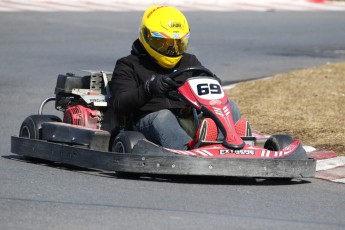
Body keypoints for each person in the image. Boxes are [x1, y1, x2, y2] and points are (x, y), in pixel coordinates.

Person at [111, 5, 242, 150]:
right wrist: (149, 89)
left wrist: (213, 82)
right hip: (148, 123)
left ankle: (228, 146)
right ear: (146, 36)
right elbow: (119, 104)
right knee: (163, 117)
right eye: (163, 44)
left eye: (178, 44)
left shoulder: (189, 62)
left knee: (231, 107)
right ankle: (190, 152)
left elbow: (208, 83)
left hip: (189, 118)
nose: (172, 50)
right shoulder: (129, 65)